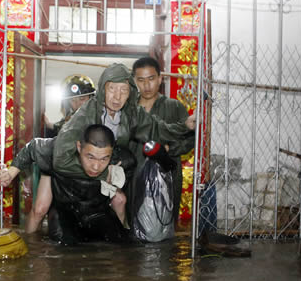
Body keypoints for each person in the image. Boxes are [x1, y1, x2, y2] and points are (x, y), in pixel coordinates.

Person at [52, 63, 197, 224]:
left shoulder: (131, 112)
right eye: (112, 89)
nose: (117, 97)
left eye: (123, 90)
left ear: (131, 93)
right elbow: (61, 159)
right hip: (74, 177)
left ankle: (122, 234)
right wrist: (102, 173)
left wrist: (185, 126)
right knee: (53, 217)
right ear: (103, 89)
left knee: (121, 192)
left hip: (105, 176)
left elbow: (156, 130)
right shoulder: (86, 114)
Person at [0, 125, 133, 245]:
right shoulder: (58, 152)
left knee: (118, 242)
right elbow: (32, 148)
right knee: (41, 212)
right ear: (79, 147)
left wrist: (115, 183)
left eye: (104, 159)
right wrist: (10, 172)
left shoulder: (123, 161)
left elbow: (120, 198)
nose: (96, 166)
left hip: (96, 211)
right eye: (90, 157)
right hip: (64, 210)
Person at [1, 75, 95, 234]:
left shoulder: (97, 122)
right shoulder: (66, 121)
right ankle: (28, 244)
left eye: (83, 99)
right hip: (55, 164)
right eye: (73, 100)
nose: (78, 104)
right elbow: (49, 139)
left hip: (83, 172)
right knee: (39, 209)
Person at [131, 56, 196, 223]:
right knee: (134, 221)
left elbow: (190, 139)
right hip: (133, 175)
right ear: (134, 81)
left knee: (165, 221)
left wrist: (169, 149)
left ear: (160, 79)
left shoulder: (174, 106)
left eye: (151, 79)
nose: (146, 85)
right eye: (141, 80)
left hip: (167, 175)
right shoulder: (129, 110)